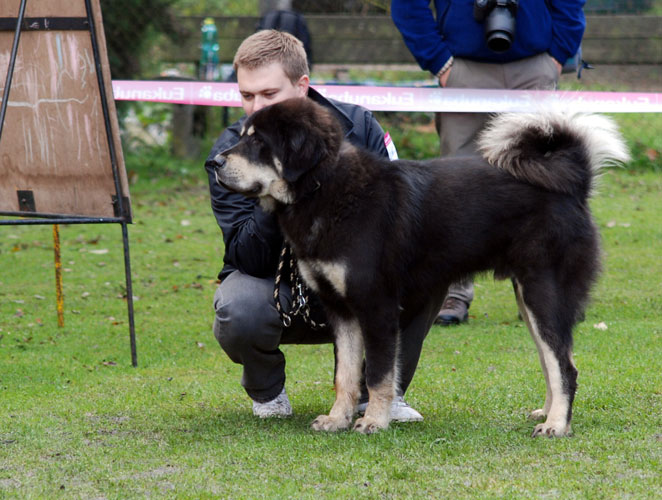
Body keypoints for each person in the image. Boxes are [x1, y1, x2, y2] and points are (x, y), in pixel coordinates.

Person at [204, 30, 443, 421]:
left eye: (269, 94)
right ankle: (268, 392)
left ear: (302, 86)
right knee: (238, 305)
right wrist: (275, 193)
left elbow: (399, 216)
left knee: (423, 271)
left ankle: (379, 392)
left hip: (358, 278)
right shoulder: (230, 153)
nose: (255, 107)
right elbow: (246, 255)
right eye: (247, 96)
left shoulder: (358, 126)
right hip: (277, 291)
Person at [391, 0, 586, 325]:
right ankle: (453, 292)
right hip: (462, 69)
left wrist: (557, 55)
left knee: (546, 181)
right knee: (454, 187)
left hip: (534, 66)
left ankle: (548, 288)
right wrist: (440, 62)